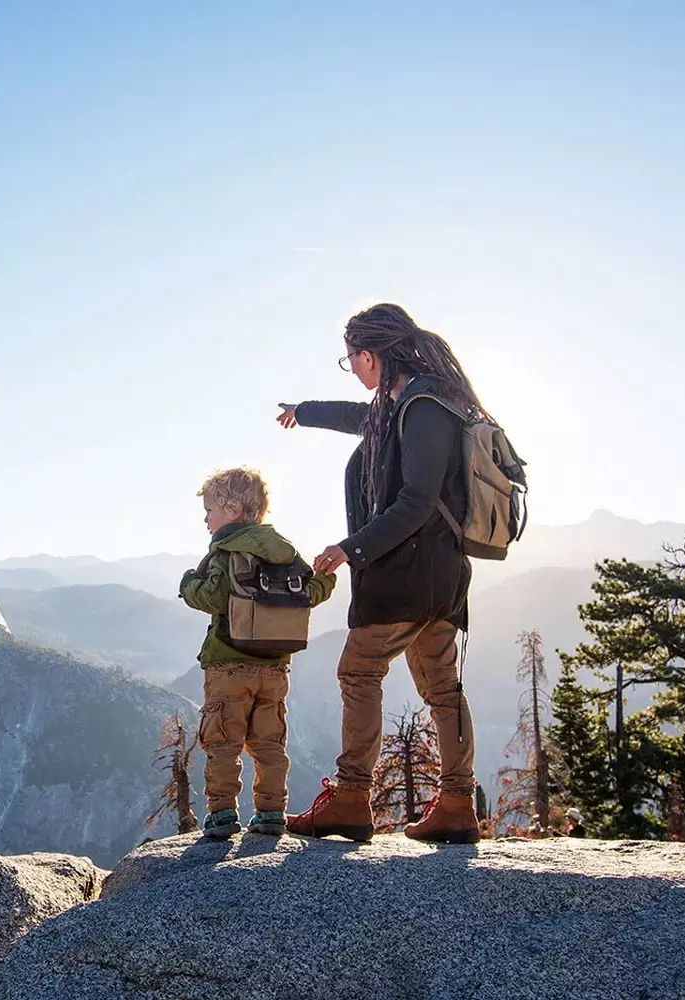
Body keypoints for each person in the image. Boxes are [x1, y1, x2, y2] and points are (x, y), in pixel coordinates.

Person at [278, 302, 493, 844]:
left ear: (370, 355)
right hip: (439, 575)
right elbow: (355, 417)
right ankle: (457, 806)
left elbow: (417, 500)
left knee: (359, 671)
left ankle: (351, 799)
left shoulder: (421, 406)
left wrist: (351, 548)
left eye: (350, 358)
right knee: (443, 687)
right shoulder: (404, 403)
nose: (351, 368)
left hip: (407, 573)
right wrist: (302, 411)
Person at [179, 467, 335, 839]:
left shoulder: (227, 551)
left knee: (222, 741)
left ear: (232, 510)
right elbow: (309, 594)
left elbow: (215, 596)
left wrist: (188, 585)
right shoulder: (285, 553)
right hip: (274, 667)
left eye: (210, 510)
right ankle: (270, 813)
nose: (205, 519)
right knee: (269, 742)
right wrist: (326, 578)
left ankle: (221, 814)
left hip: (228, 664)